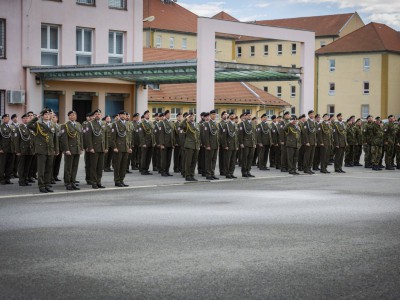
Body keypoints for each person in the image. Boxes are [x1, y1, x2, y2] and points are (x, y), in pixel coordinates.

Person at [27, 108, 59, 193]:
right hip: (41, 150)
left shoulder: (52, 125)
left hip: (50, 150)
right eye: (45, 114)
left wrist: (56, 149)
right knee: (41, 169)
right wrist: (36, 117)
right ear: (42, 116)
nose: (47, 116)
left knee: (49, 169)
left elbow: (55, 138)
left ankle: (47, 185)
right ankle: (41, 186)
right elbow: (29, 125)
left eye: (48, 114)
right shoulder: (38, 125)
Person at [60, 110, 83, 190]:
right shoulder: (65, 125)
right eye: (72, 115)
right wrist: (66, 149)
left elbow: (80, 137)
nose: (73, 116)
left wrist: (81, 148)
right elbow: (64, 139)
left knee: (75, 167)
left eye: (74, 115)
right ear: (69, 116)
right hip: (70, 149)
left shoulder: (78, 125)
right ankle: (67, 183)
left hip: (77, 149)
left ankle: (73, 182)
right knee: (68, 167)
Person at [85, 109, 108, 189]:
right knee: (94, 167)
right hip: (94, 148)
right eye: (96, 114)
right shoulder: (90, 124)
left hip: (102, 148)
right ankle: (94, 182)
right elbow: (89, 137)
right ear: (94, 116)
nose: (98, 115)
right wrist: (90, 147)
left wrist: (106, 147)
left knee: (100, 167)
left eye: (99, 114)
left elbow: (105, 136)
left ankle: (99, 181)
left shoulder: (103, 123)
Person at [111, 110, 132, 187]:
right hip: (119, 148)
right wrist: (115, 147)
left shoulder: (127, 124)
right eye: (122, 115)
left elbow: (128, 137)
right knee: (117, 165)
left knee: (124, 165)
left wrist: (129, 147)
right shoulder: (115, 124)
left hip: (126, 148)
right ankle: (117, 181)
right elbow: (113, 138)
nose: (123, 116)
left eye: (124, 115)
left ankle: (122, 180)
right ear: (119, 116)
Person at [15, 113, 34, 186]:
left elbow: (33, 139)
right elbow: (16, 140)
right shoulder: (19, 128)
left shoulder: (31, 127)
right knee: (21, 166)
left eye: (27, 118)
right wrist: (18, 151)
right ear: (22, 120)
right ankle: (21, 180)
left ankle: (25, 179)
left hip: (30, 150)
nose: (26, 119)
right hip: (22, 150)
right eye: (24, 118)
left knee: (27, 166)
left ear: (29, 119)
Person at [180, 112, 200, 181]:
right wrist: (186, 119)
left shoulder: (197, 124)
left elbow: (198, 135)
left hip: (196, 146)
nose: (192, 117)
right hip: (189, 145)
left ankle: (192, 175)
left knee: (194, 161)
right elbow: (180, 126)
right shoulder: (187, 124)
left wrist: (199, 145)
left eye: (193, 116)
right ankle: (187, 175)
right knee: (188, 161)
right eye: (190, 116)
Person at [238, 112, 256, 177]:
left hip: (252, 143)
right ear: (245, 116)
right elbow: (240, 134)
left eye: (250, 115)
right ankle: (244, 172)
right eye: (248, 115)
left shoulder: (253, 123)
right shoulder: (242, 124)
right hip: (245, 143)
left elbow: (254, 134)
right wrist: (241, 143)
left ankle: (248, 171)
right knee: (245, 158)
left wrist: (254, 143)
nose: (249, 116)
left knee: (250, 158)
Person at [221, 112, 238, 179]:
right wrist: (225, 145)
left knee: (233, 160)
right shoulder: (226, 125)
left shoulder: (235, 125)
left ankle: (231, 172)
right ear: (229, 117)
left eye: (234, 115)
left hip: (234, 145)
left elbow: (236, 136)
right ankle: (227, 173)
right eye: (231, 115)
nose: (233, 116)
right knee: (227, 160)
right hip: (229, 145)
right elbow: (224, 137)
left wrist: (237, 145)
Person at [203, 110, 219, 180]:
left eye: (215, 114)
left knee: (214, 160)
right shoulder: (207, 124)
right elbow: (206, 136)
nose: (214, 116)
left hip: (215, 145)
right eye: (213, 114)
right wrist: (207, 145)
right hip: (210, 145)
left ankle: (212, 173)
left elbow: (216, 135)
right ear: (210, 115)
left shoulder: (215, 123)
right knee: (209, 160)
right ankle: (208, 174)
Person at [158, 110, 175, 177]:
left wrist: (173, 143)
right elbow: (161, 134)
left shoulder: (171, 123)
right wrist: (161, 144)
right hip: (164, 144)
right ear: (165, 115)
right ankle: (163, 171)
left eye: (169, 114)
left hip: (170, 144)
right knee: (164, 159)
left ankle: (167, 171)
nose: (169, 115)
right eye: (167, 114)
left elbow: (172, 134)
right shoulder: (162, 123)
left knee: (168, 158)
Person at [139, 110, 155, 175]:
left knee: (149, 157)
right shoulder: (142, 123)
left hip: (151, 142)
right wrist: (143, 143)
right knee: (144, 157)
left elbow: (153, 133)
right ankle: (142, 169)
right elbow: (141, 134)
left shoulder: (151, 123)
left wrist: (154, 142)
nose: (148, 115)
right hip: (145, 143)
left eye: (149, 114)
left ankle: (146, 169)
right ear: (144, 115)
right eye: (147, 114)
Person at [0, 114, 15, 184]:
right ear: (2, 119)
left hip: (11, 149)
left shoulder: (12, 127)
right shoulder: (1, 127)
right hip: (4, 149)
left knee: (10, 165)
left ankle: (7, 178)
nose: (6, 119)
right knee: (2, 165)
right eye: (5, 118)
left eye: (7, 118)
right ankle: (1, 179)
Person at [301, 110, 317, 174]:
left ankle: (309, 168)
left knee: (311, 156)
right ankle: (306, 168)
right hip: (308, 142)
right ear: (309, 115)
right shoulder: (306, 123)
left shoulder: (313, 122)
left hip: (313, 142)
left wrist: (315, 141)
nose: (312, 115)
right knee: (307, 156)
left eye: (313, 114)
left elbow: (314, 133)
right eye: (311, 114)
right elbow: (305, 133)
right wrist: (307, 142)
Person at [218, 111, 228, 176]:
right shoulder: (220, 124)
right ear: (221, 116)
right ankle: (222, 171)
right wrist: (221, 143)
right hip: (222, 143)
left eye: (226, 115)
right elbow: (219, 134)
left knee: (226, 158)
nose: (225, 116)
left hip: (228, 143)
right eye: (224, 115)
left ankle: (226, 170)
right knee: (222, 158)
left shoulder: (228, 123)